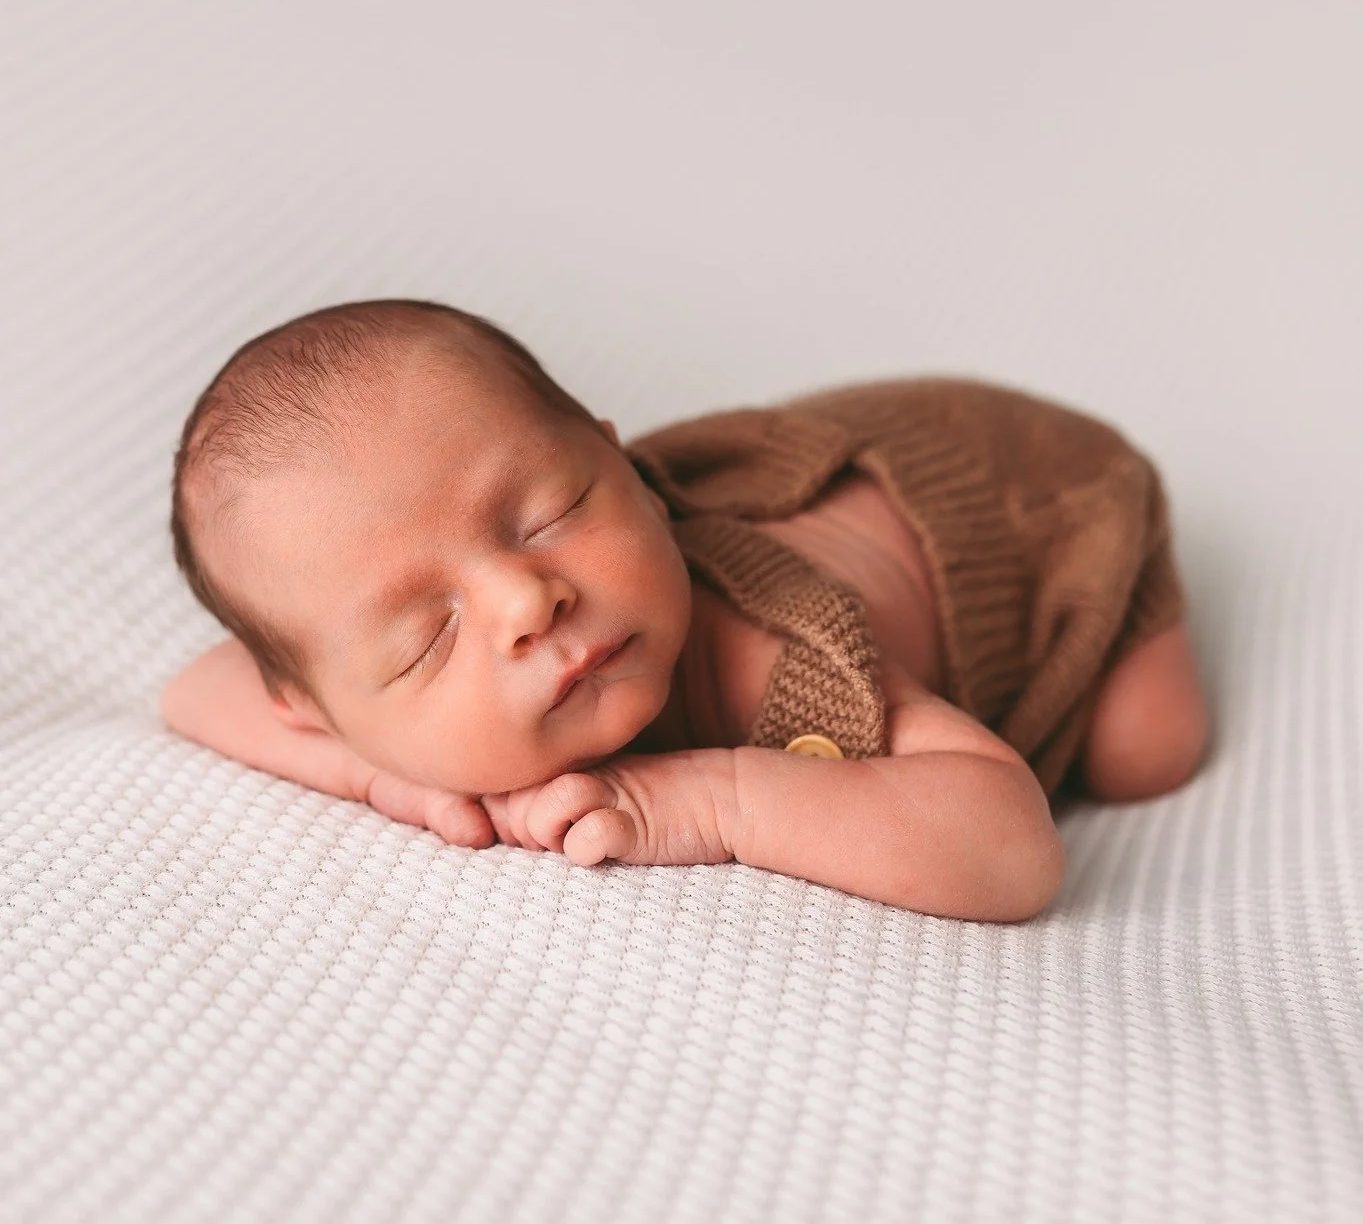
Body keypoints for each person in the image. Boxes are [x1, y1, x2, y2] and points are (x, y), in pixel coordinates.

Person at [161, 299, 1211, 922]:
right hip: (864, 463)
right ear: (314, 703)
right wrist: (386, 773)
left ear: (626, 466)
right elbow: (199, 689)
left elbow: (1011, 848)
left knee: (1145, 751)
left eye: (554, 509)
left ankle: (1139, 580)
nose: (528, 597)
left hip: (1037, 500)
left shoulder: (786, 658)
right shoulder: (328, 699)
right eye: (423, 637)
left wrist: (710, 802)